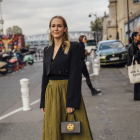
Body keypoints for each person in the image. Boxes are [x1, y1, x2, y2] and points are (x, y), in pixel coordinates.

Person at [40, 16, 93, 140]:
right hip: (51, 93)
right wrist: (43, 101)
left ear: (65, 29)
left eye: (59, 26)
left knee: (72, 131)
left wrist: (72, 102)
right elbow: (44, 77)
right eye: (53, 26)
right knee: (53, 129)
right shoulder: (47, 50)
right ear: (50, 29)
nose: (56, 29)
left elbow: (75, 75)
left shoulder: (73, 47)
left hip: (67, 91)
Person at [127, 32, 140, 100]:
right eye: (138, 35)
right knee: (137, 80)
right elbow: (134, 57)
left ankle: (137, 97)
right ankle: (137, 96)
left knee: (137, 81)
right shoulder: (132, 46)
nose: (139, 36)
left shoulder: (137, 44)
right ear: (134, 37)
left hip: (137, 65)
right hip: (136, 66)